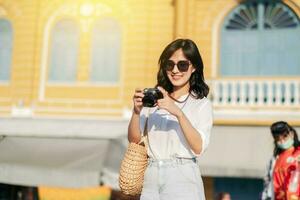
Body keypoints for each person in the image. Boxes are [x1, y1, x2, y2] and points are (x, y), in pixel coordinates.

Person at [128, 38, 213, 200]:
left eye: (182, 65)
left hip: (182, 175)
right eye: (170, 64)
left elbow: (198, 147)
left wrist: (177, 113)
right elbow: (134, 141)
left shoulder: (201, 104)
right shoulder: (153, 99)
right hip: (151, 174)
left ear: (193, 67)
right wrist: (137, 111)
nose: (175, 70)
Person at [261, 121, 300, 200]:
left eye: (285, 136)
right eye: (278, 138)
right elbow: (268, 184)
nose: (282, 141)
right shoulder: (275, 159)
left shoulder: (298, 153)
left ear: (291, 134)